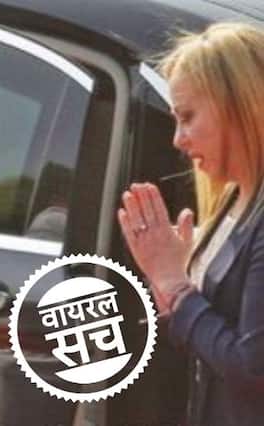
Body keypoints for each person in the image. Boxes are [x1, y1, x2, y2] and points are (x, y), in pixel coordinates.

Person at [118, 22, 264, 426]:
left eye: (188, 117)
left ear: (241, 105)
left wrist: (176, 288)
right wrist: (173, 288)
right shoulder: (236, 197)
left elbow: (254, 369)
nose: (177, 139)